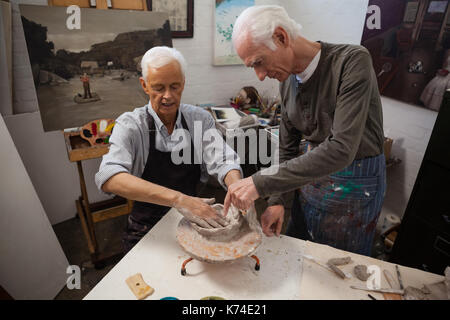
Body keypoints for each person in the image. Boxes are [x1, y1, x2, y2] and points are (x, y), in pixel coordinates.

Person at [224, 5, 386, 256]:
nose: (259, 76)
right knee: (297, 256)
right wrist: (278, 201)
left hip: (353, 189)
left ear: (281, 36)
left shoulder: (352, 62)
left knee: (336, 268)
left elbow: (342, 148)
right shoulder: (287, 81)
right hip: (309, 183)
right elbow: (287, 147)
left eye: (259, 62)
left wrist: (259, 183)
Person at [96, 46, 242, 252]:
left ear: (183, 83)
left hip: (193, 218)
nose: (168, 96)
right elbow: (109, 176)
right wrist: (179, 200)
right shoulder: (130, 125)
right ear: (144, 85)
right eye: (158, 88)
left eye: (175, 87)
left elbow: (223, 159)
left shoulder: (199, 119)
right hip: (146, 225)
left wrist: (237, 189)